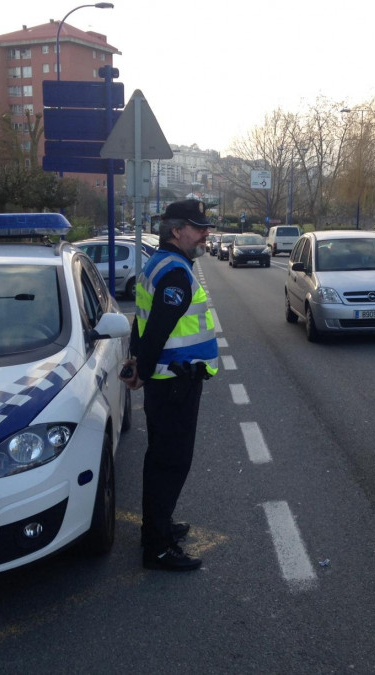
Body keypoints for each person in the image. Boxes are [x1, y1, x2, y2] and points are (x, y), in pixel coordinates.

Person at [120, 199, 218, 571]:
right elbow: (158, 328)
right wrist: (141, 370)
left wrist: (135, 357)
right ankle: (157, 546)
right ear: (177, 231)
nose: (206, 233)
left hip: (169, 382)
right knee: (170, 464)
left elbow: (141, 321)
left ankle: (160, 526)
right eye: (198, 227)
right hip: (175, 382)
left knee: (162, 460)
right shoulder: (175, 272)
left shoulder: (158, 263)